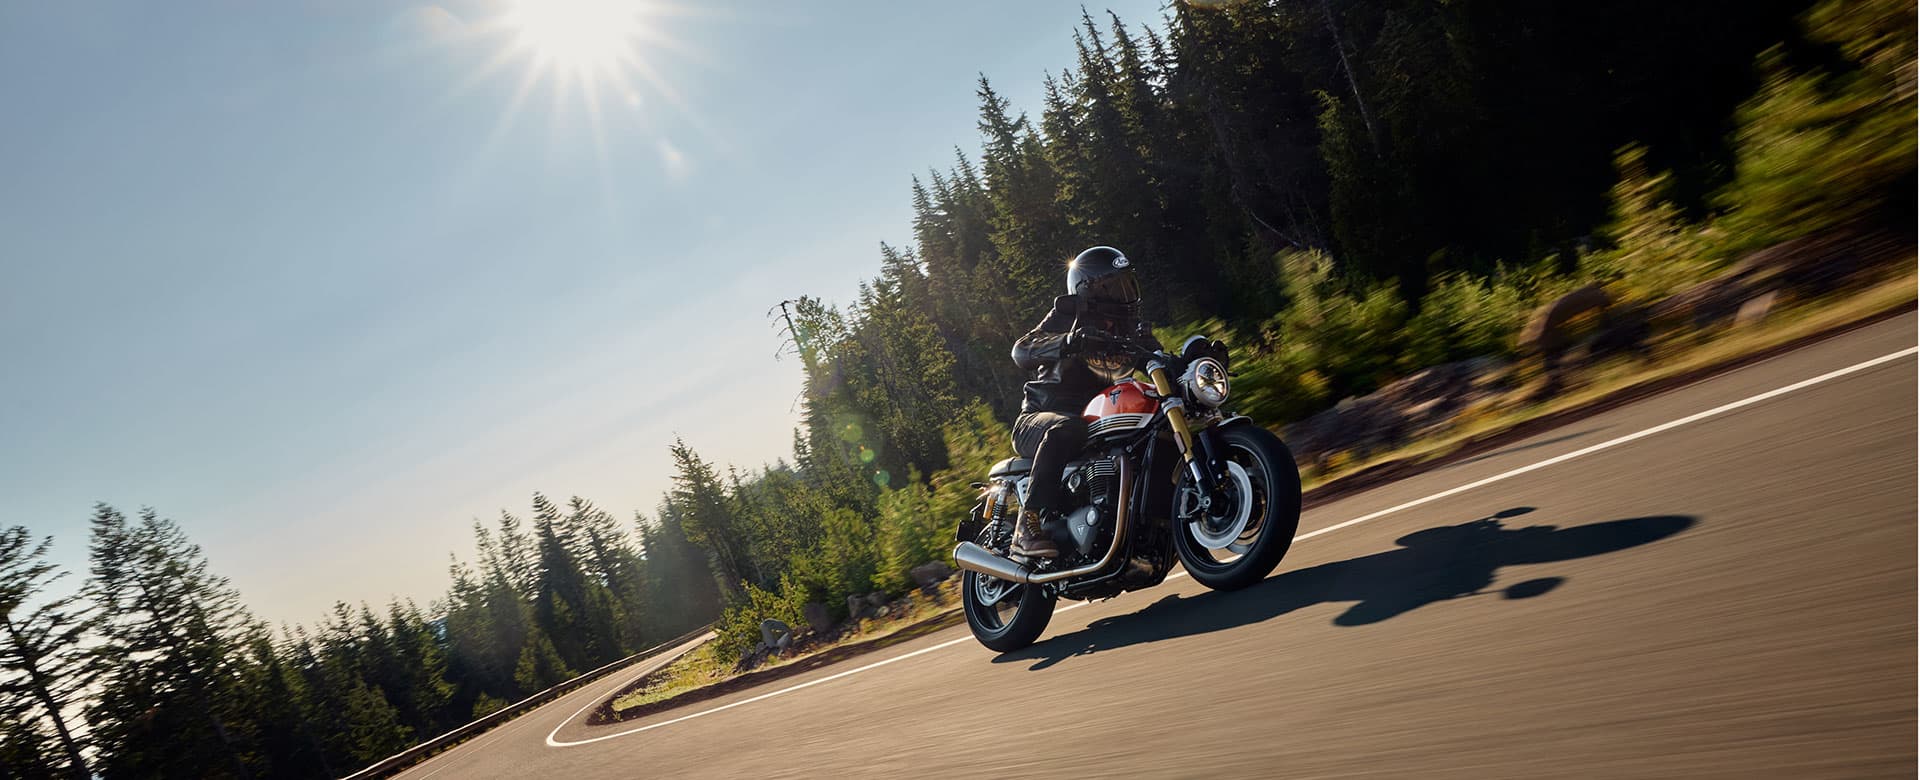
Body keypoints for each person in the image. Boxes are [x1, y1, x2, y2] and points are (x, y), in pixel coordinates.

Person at [1007, 246, 1146, 559]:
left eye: (1127, 283)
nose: (1123, 293)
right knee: (1067, 429)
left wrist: (1189, 361)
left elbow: (1157, 357)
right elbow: (1023, 349)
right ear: (1089, 290)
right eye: (1112, 286)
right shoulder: (1068, 314)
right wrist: (1068, 341)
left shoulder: (1128, 328)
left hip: (1092, 418)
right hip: (1041, 417)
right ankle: (1026, 525)